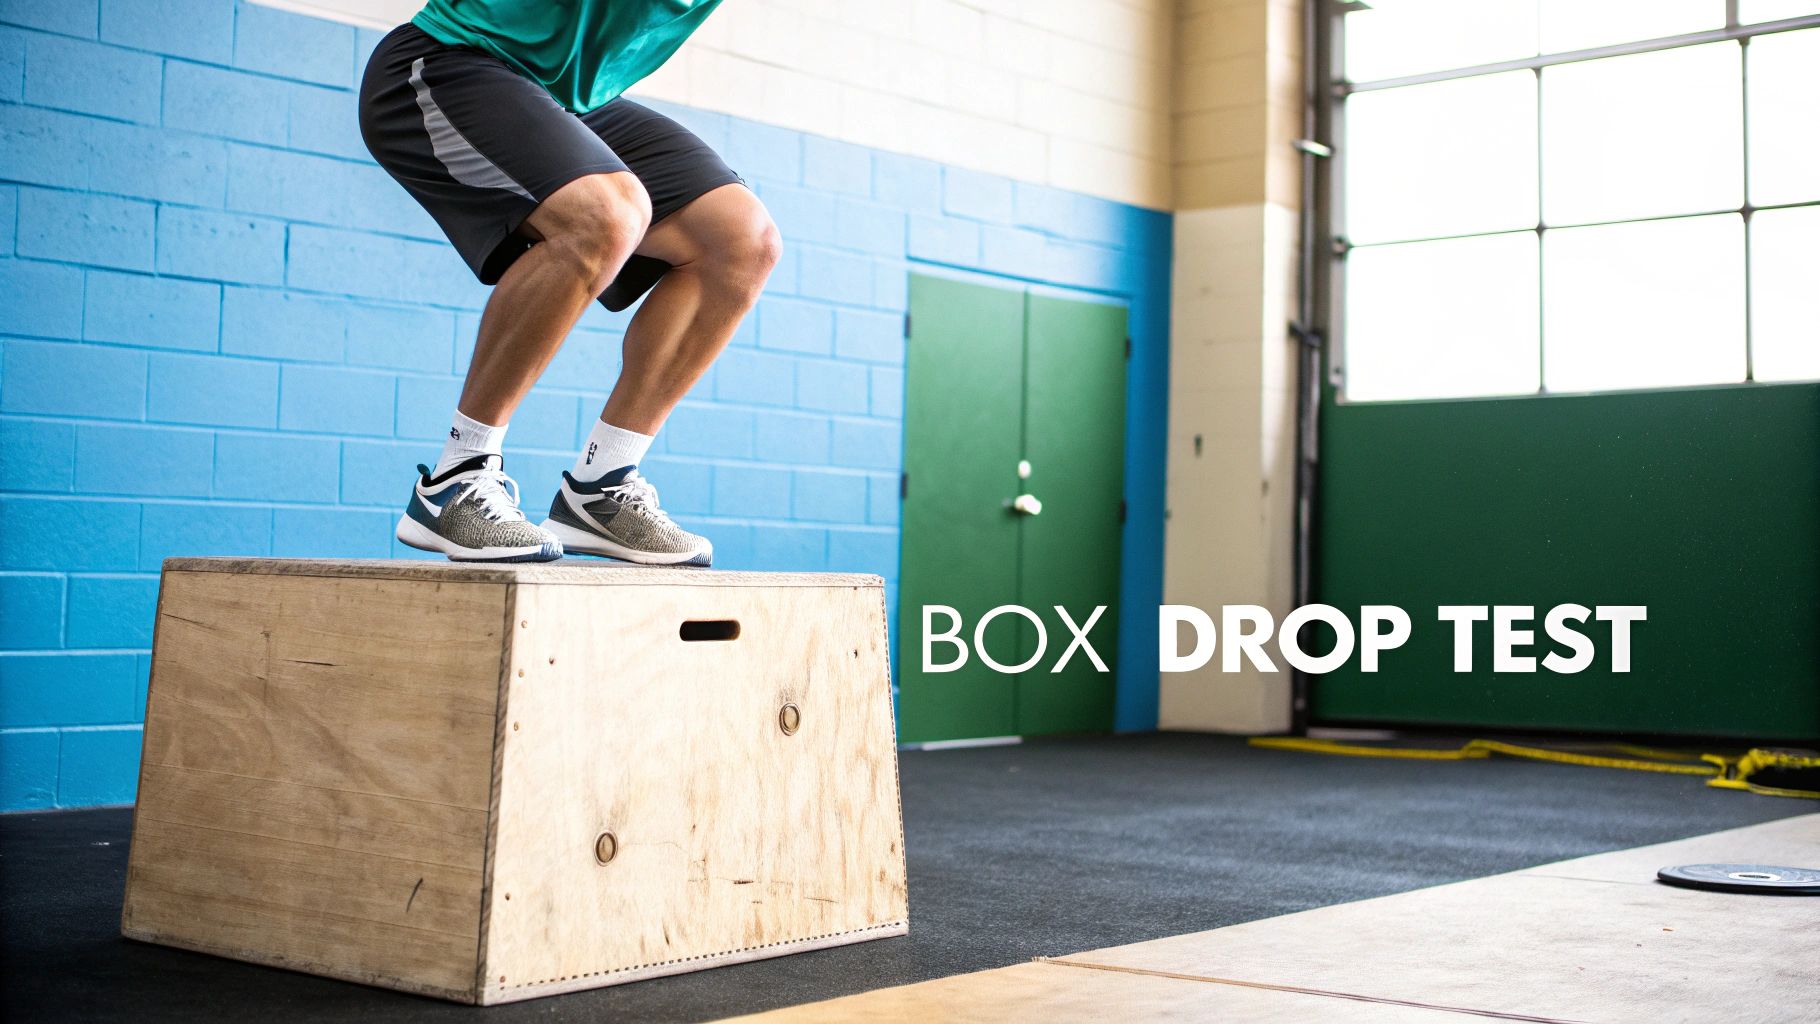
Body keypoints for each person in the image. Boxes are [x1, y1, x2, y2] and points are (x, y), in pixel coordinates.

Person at [358, 0, 776, 566]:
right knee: (604, 214)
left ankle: (601, 488)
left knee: (741, 241)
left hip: (567, 102)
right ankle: (456, 479)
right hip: (448, 64)